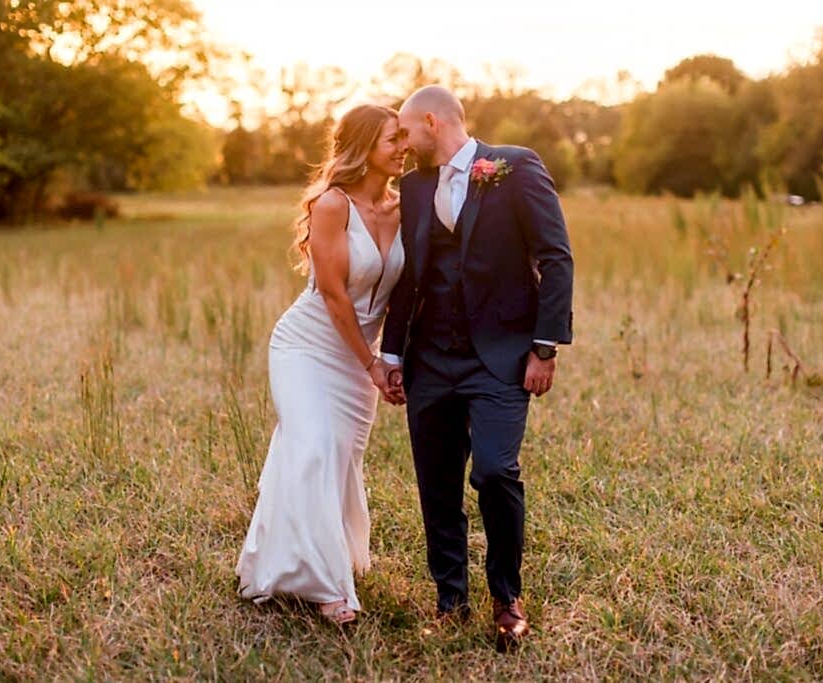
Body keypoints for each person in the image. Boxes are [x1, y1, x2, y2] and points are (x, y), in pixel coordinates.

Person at [380, 85, 574, 651]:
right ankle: (449, 599)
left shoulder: (514, 167)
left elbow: (555, 255)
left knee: (493, 471)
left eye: (406, 131)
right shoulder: (412, 188)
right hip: (430, 360)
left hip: (501, 357)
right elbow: (410, 276)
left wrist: (544, 347)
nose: (402, 141)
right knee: (436, 484)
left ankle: (506, 597)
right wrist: (393, 354)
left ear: (432, 123)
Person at [235, 104, 407, 625]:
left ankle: (296, 558)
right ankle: (329, 587)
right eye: (392, 140)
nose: (403, 147)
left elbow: (407, 294)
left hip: (363, 360)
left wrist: (392, 359)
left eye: (404, 138)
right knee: (311, 447)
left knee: (337, 459)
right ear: (362, 149)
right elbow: (333, 295)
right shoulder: (332, 205)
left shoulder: (405, 208)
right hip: (308, 346)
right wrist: (372, 363)